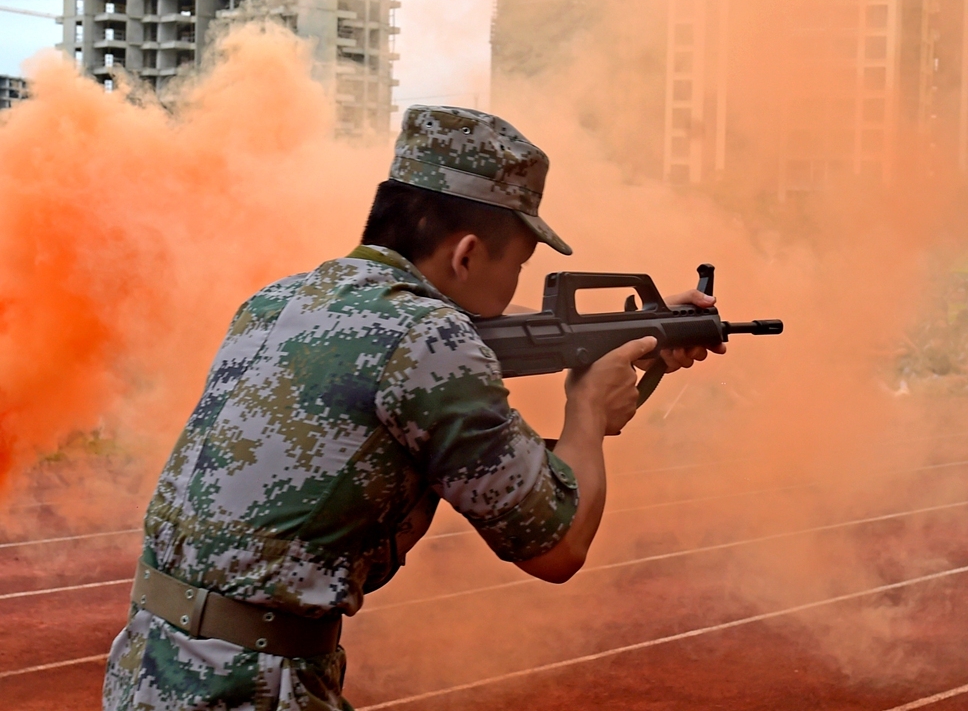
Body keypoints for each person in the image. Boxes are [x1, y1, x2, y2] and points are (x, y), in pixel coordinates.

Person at [101, 107, 723, 710]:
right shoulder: (430, 339)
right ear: (468, 254)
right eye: (519, 266)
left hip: (151, 666)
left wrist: (633, 329)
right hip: (249, 688)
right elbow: (556, 547)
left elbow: (438, 338)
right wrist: (588, 411)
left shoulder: (282, 299)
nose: (514, 289)